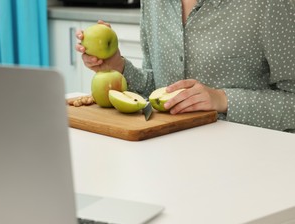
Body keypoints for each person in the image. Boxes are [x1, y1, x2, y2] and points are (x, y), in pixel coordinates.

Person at [76, 0, 295, 133]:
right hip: (172, 153)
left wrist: (222, 99)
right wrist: (116, 65)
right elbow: (157, 89)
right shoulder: (153, 4)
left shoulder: (270, 4)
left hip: (253, 159)